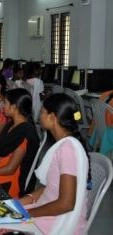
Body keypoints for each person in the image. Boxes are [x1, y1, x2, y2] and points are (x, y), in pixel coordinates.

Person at [19, 94, 90, 235]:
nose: (39, 117)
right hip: (48, 210)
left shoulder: (67, 150)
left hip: (56, 221)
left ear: (52, 117)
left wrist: (27, 213)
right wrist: (27, 199)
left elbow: (66, 204)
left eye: (42, 112)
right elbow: (53, 186)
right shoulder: (63, 144)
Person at [0, 88, 40, 198]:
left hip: (9, 181)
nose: (2, 106)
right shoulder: (11, 125)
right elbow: (0, 158)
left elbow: (10, 169)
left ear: (14, 107)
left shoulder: (25, 133)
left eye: (5, 103)